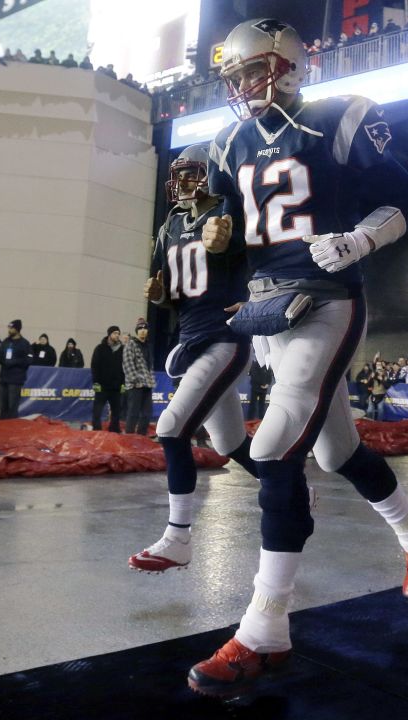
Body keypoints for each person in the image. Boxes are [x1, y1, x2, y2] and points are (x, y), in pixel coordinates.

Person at [185, 18, 408, 697]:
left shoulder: (338, 118)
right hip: (267, 309)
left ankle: (264, 631)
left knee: (274, 449)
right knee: (334, 452)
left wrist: (361, 240)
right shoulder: (227, 141)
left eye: (250, 72)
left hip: (330, 298)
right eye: (235, 78)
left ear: (285, 64)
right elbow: (222, 237)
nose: (242, 87)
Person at [129, 145, 265, 572]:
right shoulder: (171, 223)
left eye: (192, 174)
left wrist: (229, 245)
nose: (184, 183)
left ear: (211, 175)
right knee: (229, 443)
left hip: (225, 338)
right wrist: (161, 297)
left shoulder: (232, 209)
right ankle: (291, 487)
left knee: (170, 428)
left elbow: (256, 260)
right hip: (193, 339)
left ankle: (178, 538)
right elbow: (174, 292)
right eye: (180, 175)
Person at [122, 320, 155, 435]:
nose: (143, 331)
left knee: (147, 413)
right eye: (140, 329)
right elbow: (127, 364)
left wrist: (150, 380)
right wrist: (135, 379)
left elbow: (149, 366)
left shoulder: (148, 346)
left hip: (147, 384)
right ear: (136, 331)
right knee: (133, 413)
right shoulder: (130, 344)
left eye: (145, 329)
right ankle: (130, 438)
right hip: (135, 385)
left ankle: (141, 438)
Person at [90, 326, 125, 432]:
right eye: (114, 333)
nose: (117, 335)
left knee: (116, 410)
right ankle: (96, 429)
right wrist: (95, 382)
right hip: (102, 386)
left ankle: (114, 429)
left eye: (118, 333)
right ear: (109, 334)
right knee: (97, 410)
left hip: (116, 387)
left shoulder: (123, 349)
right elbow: (94, 366)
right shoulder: (100, 348)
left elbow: (125, 367)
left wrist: (123, 383)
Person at [0, 320, 31, 419]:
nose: (9, 330)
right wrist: (3, 361)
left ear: (17, 329)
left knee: (13, 406)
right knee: (3, 406)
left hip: (16, 380)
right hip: (3, 378)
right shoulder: (5, 342)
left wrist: (14, 362)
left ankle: (12, 428)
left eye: (11, 328)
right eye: (9, 328)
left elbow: (29, 359)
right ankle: (2, 427)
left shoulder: (25, 343)